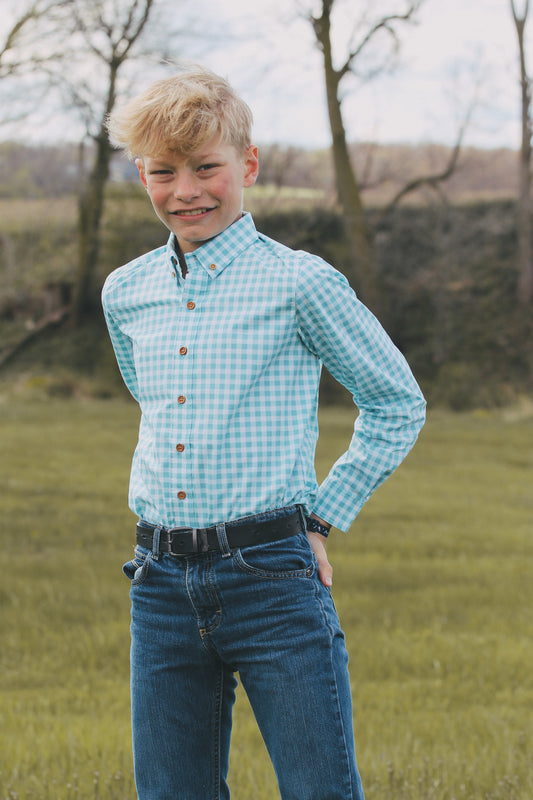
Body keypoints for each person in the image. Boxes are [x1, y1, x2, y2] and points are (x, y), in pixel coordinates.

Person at [102, 65, 426, 800]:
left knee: (318, 790)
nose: (186, 190)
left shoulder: (299, 282)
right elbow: (154, 402)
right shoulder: (125, 292)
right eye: (163, 172)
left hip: (271, 579)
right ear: (141, 175)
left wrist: (320, 517)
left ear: (246, 165)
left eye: (206, 168)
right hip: (156, 584)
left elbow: (394, 402)